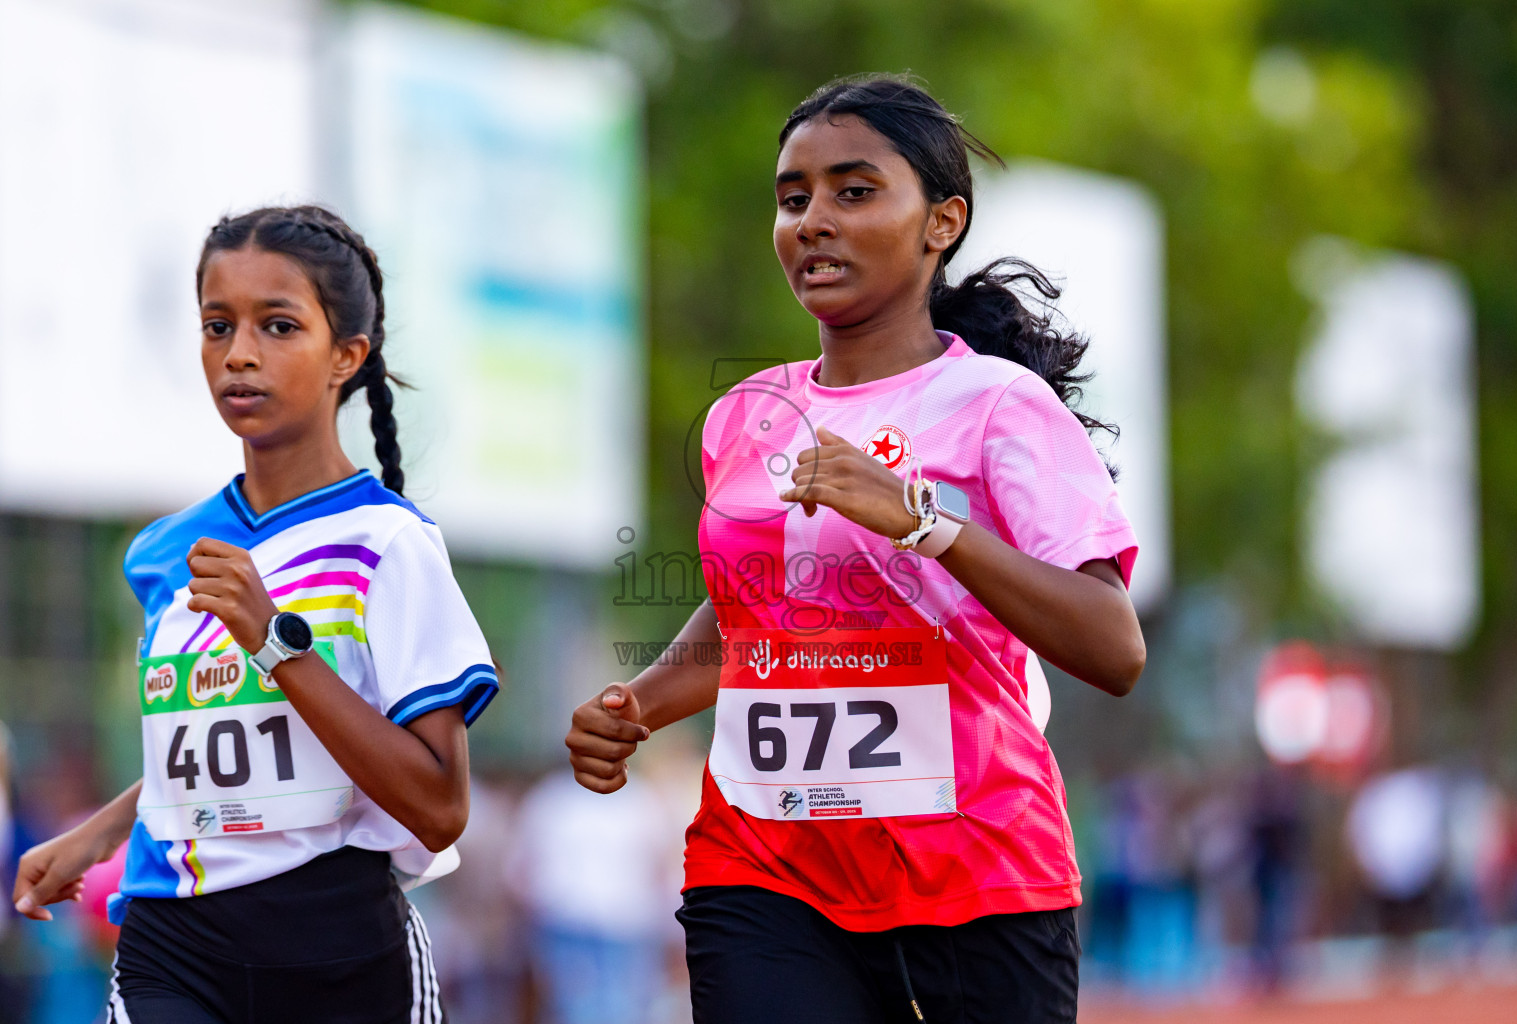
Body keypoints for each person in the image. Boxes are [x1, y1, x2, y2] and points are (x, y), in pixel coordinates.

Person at [566, 76, 1144, 1023]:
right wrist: (641, 704)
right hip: (764, 866)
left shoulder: (1000, 406)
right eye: (794, 199)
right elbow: (757, 610)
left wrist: (923, 521)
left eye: (854, 190)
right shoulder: (743, 415)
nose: (813, 221)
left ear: (941, 222)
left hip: (975, 874)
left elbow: (1112, 647)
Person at [11, 206, 499, 1023]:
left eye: (278, 326)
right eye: (216, 325)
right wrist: (97, 836)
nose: (238, 354)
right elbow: (225, 738)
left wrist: (276, 642)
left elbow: (441, 804)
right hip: (175, 942)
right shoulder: (164, 552)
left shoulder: (388, 544)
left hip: (340, 949)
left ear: (348, 355)